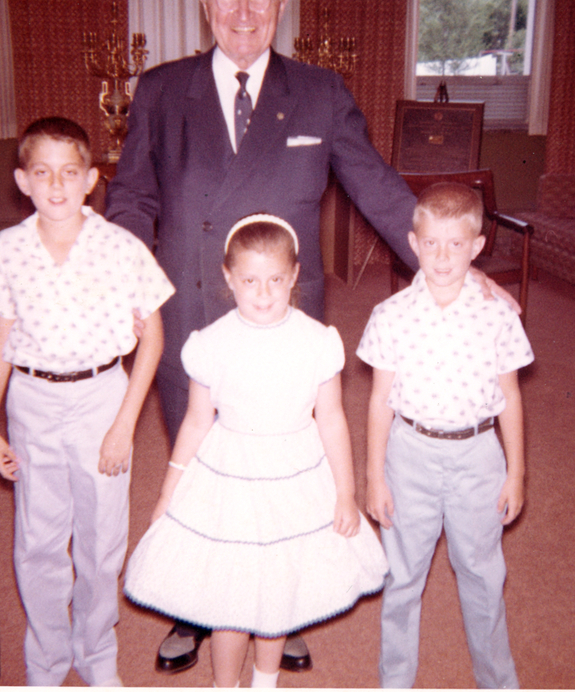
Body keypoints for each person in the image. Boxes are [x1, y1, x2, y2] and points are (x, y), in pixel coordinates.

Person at [104, 0, 423, 674]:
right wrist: (114, 270)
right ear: (204, 2)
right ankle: (196, 606)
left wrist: (448, 266)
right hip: (190, 309)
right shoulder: (158, 89)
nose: (242, 10)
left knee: (290, 460)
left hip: (286, 319)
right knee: (204, 456)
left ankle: (284, 599)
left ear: (281, 3)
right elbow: (131, 196)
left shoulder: (318, 91)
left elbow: (375, 185)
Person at [124, 214, 389, 688]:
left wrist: (345, 493)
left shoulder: (316, 341)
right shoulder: (212, 343)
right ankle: (225, 685)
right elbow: (197, 420)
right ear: (228, 277)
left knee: (276, 590)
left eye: (275, 280)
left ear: (294, 276)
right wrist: (169, 490)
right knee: (230, 595)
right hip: (230, 475)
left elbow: (330, 419)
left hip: (295, 475)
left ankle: (265, 682)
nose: (263, 293)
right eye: (249, 281)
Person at [0, 117, 174, 686]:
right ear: (23, 181)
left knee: (103, 542)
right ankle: (48, 660)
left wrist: (124, 425)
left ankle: (96, 653)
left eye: (69, 172)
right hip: (32, 402)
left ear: (91, 181)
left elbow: (152, 336)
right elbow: (0, 341)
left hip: (102, 399)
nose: (56, 185)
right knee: (38, 540)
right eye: (42, 172)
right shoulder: (5, 251)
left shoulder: (119, 248)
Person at [357, 182, 534, 689]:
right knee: (402, 576)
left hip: (478, 457)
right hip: (408, 456)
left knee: (482, 574)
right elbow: (378, 402)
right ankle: (395, 680)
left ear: (477, 247)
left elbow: (511, 399)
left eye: (457, 244)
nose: (442, 256)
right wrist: (375, 477)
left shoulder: (498, 315)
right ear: (413, 242)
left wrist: (516, 473)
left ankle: (498, 680)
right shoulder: (390, 316)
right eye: (431, 243)